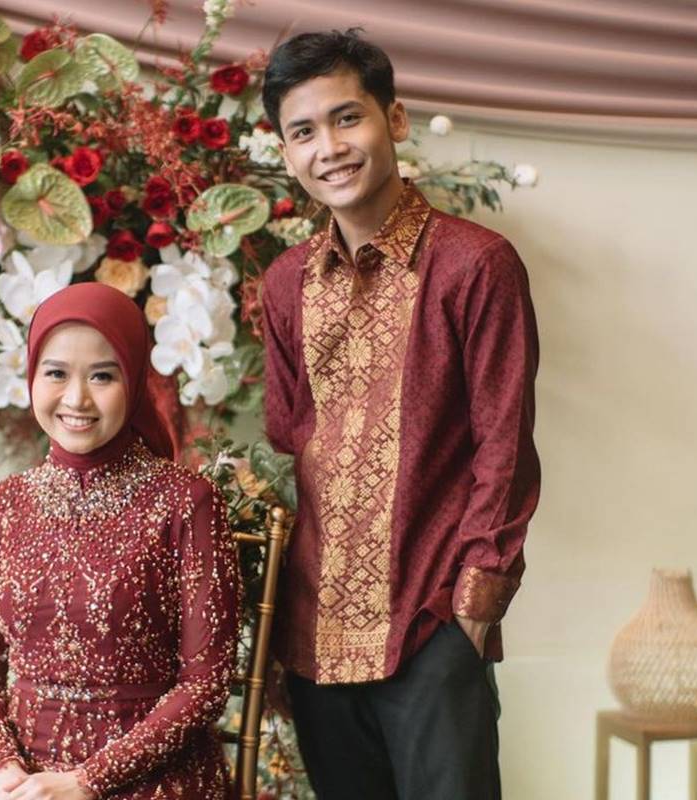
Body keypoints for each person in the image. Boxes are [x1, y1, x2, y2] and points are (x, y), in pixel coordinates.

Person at [258, 28, 541, 799]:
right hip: (315, 641)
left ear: (396, 118)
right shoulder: (284, 284)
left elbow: (504, 448)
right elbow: (285, 443)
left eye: (347, 118)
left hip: (429, 627)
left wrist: (473, 614)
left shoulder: (475, 265)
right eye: (303, 132)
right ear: (285, 152)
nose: (329, 148)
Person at [0, 282, 240, 800]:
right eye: (56, 373)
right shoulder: (4, 505)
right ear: (32, 376)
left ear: (135, 380)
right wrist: (6, 773)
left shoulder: (186, 502)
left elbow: (205, 684)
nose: (76, 398)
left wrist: (87, 782)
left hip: (151, 777)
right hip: (24, 777)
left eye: (102, 375)